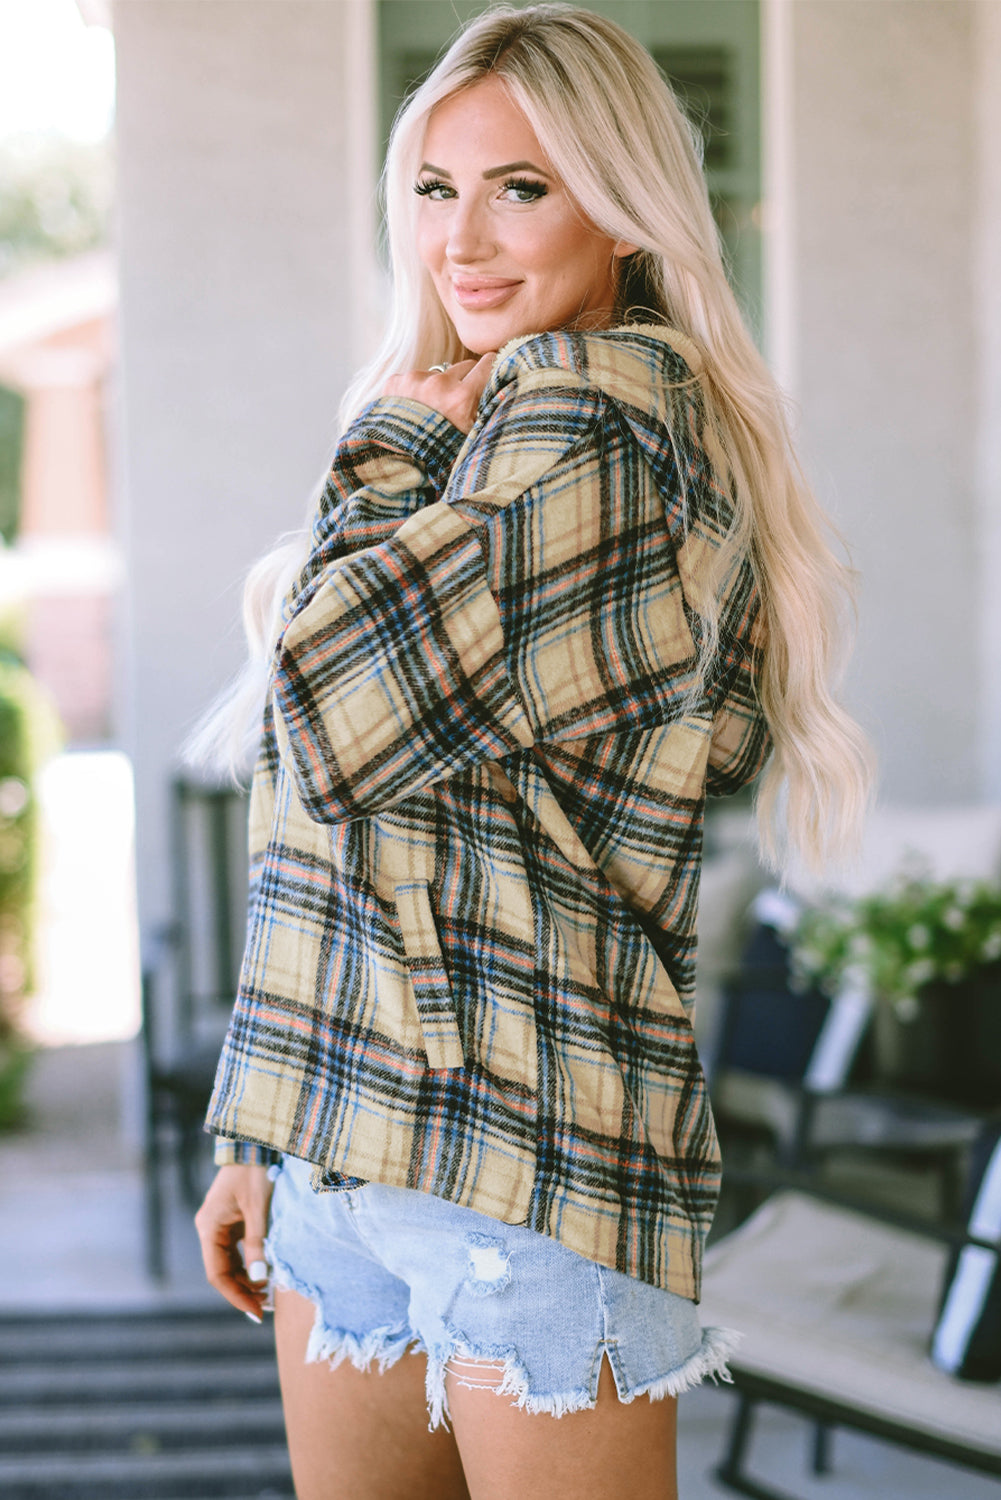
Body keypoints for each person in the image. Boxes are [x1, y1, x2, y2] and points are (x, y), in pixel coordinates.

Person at [192, 6, 872, 1497]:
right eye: (437, 189)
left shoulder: (594, 414)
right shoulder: (490, 414)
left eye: (523, 186)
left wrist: (386, 451)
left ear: (621, 211)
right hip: (349, 1146)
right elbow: (323, 826)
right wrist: (261, 1117)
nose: (463, 237)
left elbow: (333, 711)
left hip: (524, 1167)